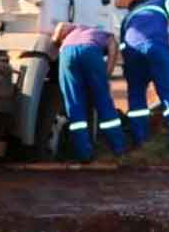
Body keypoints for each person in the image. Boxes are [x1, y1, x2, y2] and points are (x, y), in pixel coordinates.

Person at [118, 0, 169, 154]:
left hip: (132, 52)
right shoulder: (159, 1)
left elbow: (122, 46)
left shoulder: (128, 18)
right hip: (156, 47)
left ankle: (141, 141)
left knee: (136, 97)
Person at [53, 22, 127, 163]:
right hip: (90, 52)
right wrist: (105, 76)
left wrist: (56, 40)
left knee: (74, 104)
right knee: (103, 101)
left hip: (66, 52)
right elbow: (112, 54)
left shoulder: (77, 27)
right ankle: (119, 148)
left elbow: (61, 25)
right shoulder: (109, 36)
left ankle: (83, 153)